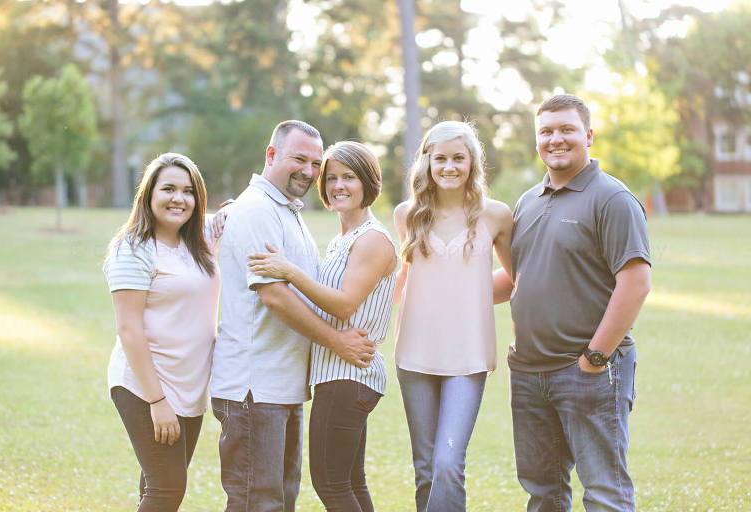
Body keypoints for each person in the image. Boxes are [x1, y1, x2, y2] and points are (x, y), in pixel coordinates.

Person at [210, 121, 377, 512]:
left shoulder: (286, 211)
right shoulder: (256, 210)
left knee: (281, 501)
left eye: (316, 163)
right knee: (258, 502)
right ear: (271, 155)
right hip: (254, 388)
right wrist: (338, 341)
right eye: (299, 159)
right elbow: (275, 297)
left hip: (283, 387)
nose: (309, 171)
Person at [495, 94, 651, 511]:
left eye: (566, 129)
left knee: (603, 492)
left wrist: (594, 359)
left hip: (587, 370)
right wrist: (439, 293)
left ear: (588, 135)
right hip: (528, 373)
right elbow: (517, 278)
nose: (555, 139)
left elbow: (635, 283)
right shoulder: (528, 201)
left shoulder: (612, 199)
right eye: (546, 131)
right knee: (543, 493)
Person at [248, 140, 397, 512]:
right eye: (331, 178)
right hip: (339, 374)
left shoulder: (373, 240)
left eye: (349, 177)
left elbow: (345, 305)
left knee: (330, 483)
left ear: (368, 183)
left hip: (348, 376)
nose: (338, 186)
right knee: (349, 482)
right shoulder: (341, 240)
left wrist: (288, 272)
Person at [393, 120, 513, 512]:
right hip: (414, 355)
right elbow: (406, 277)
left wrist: (472, 299)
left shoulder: (495, 215)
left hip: (468, 357)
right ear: (426, 162)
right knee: (426, 469)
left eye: (458, 158)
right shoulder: (407, 216)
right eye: (440, 158)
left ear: (472, 162)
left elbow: (516, 280)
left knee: (447, 463)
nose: (449, 166)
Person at [103, 152, 221, 511]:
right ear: (148, 195)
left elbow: (238, 214)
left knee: (157, 485)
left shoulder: (198, 242)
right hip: (146, 385)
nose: (178, 198)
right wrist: (157, 402)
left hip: (190, 386)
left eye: (188, 191)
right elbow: (129, 329)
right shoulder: (133, 249)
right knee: (167, 489)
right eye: (168, 188)